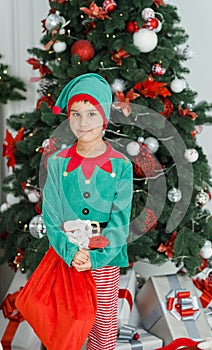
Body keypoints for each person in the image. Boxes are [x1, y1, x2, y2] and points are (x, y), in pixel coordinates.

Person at [42, 73, 133, 350]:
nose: (83, 123)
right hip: (65, 259)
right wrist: (71, 253)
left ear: (104, 116)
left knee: (102, 332)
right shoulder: (58, 163)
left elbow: (120, 223)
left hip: (103, 263)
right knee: (64, 329)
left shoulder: (121, 166)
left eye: (92, 113)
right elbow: (51, 215)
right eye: (76, 114)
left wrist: (95, 258)